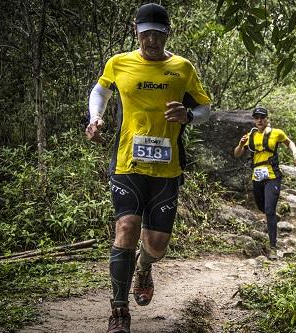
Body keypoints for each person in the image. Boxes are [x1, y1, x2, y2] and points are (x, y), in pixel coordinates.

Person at [85, 3, 211, 333]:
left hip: (167, 168)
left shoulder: (182, 68)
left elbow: (206, 107)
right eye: (146, 34)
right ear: (135, 32)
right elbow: (100, 91)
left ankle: (144, 266)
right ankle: (119, 312)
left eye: (158, 34)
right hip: (127, 162)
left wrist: (189, 116)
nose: (151, 41)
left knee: (156, 244)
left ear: (168, 34)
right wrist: (94, 117)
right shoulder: (120, 63)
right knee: (126, 226)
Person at [234, 107, 296, 260]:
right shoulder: (250, 135)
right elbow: (237, 154)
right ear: (253, 120)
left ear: (267, 118)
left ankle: (273, 247)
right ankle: (271, 217)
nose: (259, 120)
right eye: (256, 118)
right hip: (257, 176)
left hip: (273, 176)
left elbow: (289, 142)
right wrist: (240, 144)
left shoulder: (277, 133)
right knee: (261, 207)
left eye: (262, 117)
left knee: (269, 210)